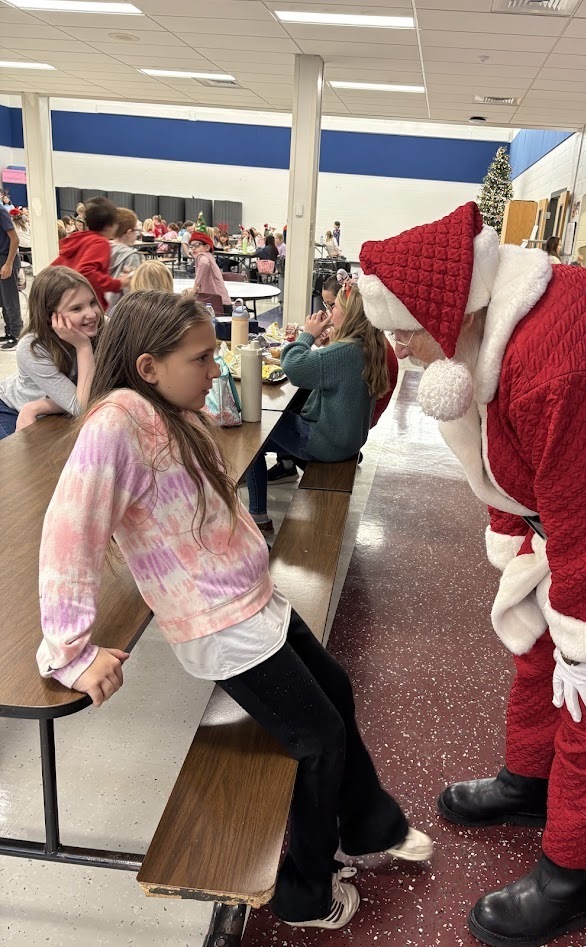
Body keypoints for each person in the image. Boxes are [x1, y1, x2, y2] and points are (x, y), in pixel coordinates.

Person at [357, 201, 586, 947]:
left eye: (402, 330)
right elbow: (514, 466)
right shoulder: (495, 331)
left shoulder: (559, 359)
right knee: (539, 652)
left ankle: (568, 877)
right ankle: (528, 785)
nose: (400, 348)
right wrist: (523, 553)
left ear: (444, 307)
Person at [35, 290, 433, 929]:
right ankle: (306, 894)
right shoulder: (119, 422)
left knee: (335, 687)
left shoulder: (170, 411)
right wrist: (70, 653)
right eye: (201, 359)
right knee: (320, 742)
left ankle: (365, 824)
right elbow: (68, 532)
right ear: (148, 367)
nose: (213, 369)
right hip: (221, 626)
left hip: (249, 603)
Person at [247, 283, 389, 532]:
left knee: (251, 436)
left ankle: (257, 515)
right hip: (347, 440)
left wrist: (307, 334)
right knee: (287, 415)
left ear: (350, 314)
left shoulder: (346, 351)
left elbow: (294, 367)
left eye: (334, 307)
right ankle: (288, 465)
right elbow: (336, 375)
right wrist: (327, 344)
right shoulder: (367, 344)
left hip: (325, 443)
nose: (330, 312)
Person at [0, 266, 103, 438]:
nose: (91, 314)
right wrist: (83, 347)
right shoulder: (32, 348)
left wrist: (39, 405)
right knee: (17, 461)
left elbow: (106, 389)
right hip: (11, 409)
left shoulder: (100, 326)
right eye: (76, 308)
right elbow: (83, 407)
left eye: (92, 302)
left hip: (48, 409)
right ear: (50, 317)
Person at [52, 197, 132, 310]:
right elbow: (85, 272)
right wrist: (118, 283)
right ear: (110, 225)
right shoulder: (100, 243)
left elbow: (54, 268)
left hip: (66, 301)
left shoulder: (78, 239)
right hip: (84, 305)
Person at [107, 208, 143, 307]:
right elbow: (133, 291)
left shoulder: (102, 248)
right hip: (120, 310)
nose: (137, 234)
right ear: (129, 232)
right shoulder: (132, 256)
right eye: (137, 231)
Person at [189, 231, 231, 313]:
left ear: (207, 247)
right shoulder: (208, 256)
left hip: (216, 303)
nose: (193, 248)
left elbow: (204, 263)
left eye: (197, 245)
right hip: (220, 300)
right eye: (191, 246)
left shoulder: (202, 256)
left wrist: (194, 288)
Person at [0, 197, 22, 351]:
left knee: (10, 299)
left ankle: (16, 334)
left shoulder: (1, 211)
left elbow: (15, 239)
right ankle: (9, 331)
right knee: (3, 299)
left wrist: (8, 264)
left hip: (7, 258)